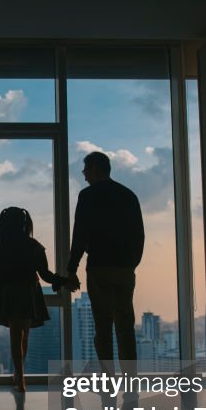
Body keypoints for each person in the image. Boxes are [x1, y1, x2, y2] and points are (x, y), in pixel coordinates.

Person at [66, 151, 145, 375]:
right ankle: (130, 380)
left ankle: (109, 379)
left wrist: (72, 269)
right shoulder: (129, 195)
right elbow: (139, 234)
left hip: (99, 267)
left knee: (102, 327)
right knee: (125, 326)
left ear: (94, 168)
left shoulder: (88, 196)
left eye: (85, 170)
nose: (83, 175)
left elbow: (80, 235)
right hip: (125, 269)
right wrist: (132, 263)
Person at [0, 207, 66, 392]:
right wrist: (61, 280)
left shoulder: (1, 248)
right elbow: (45, 274)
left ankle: (19, 377)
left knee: (15, 335)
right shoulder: (33, 246)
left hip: (10, 294)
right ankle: (19, 375)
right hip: (29, 293)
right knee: (24, 335)